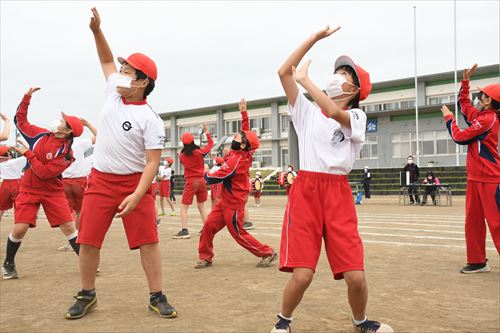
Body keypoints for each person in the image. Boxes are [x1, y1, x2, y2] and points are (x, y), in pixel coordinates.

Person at [270, 26, 393, 333]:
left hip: (337, 192)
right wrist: (313, 40)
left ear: (355, 92)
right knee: (302, 275)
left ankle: (361, 321)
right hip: (306, 191)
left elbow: (334, 113)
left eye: (345, 74)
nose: (337, 76)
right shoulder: (306, 113)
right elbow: (284, 72)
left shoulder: (357, 118)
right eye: (337, 70)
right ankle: (283, 322)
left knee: (356, 276)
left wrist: (306, 81)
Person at [65, 7, 176, 319]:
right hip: (100, 180)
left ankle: (157, 296)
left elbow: (152, 163)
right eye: (123, 67)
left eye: (127, 70)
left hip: (133, 183)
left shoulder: (151, 119)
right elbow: (104, 60)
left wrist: (138, 194)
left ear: (142, 82)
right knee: (87, 240)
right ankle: (87, 294)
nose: (120, 72)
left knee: (148, 242)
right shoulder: (114, 93)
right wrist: (97, 31)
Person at [3, 87, 84, 280]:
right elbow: (20, 121)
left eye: (63, 122)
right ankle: (9, 263)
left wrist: (28, 154)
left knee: (69, 228)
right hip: (29, 188)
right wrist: (26, 98)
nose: (59, 122)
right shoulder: (41, 135)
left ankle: (86, 261)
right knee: (20, 228)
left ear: (68, 131)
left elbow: (46, 173)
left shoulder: (66, 153)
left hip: (52, 191)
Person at [196, 99, 277, 269]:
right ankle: (205, 257)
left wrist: (203, 175)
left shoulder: (237, 159)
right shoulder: (242, 149)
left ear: (243, 144)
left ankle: (267, 252)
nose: (236, 135)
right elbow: (247, 132)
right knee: (208, 227)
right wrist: (244, 113)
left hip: (234, 203)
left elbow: (215, 177)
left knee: (239, 234)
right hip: (225, 201)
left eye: (239, 136)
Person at [441, 63, 500, 274]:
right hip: (476, 176)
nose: (480, 98)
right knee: (473, 221)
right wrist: (465, 83)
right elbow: (464, 104)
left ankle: (479, 261)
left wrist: (449, 118)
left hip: (490, 177)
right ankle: (477, 261)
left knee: (497, 223)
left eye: (484, 96)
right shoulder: (482, 117)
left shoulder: (489, 119)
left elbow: (459, 137)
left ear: (491, 101)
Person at [58, 119, 97, 251]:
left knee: (67, 213)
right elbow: (99, 137)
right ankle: (80, 238)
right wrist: (88, 124)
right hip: (79, 181)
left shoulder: (56, 144)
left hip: (64, 181)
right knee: (80, 211)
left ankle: (71, 241)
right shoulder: (80, 143)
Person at [175, 124, 213, 239]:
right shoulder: (199, 152)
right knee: (201, 206)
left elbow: (182, 155)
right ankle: (207, 228)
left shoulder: (181, 156)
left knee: (184, 207)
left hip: (191, 182)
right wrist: (207, 132)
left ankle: (184, 230)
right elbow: (210, 145)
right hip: (201, 181)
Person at [0, 146, 26, 222]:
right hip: (16, 184)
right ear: (7, 154)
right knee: (18, 207)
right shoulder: (15, 161)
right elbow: (29, 154)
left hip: (4, 184)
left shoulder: (1, 164)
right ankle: (18, 227)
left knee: (1, 208)